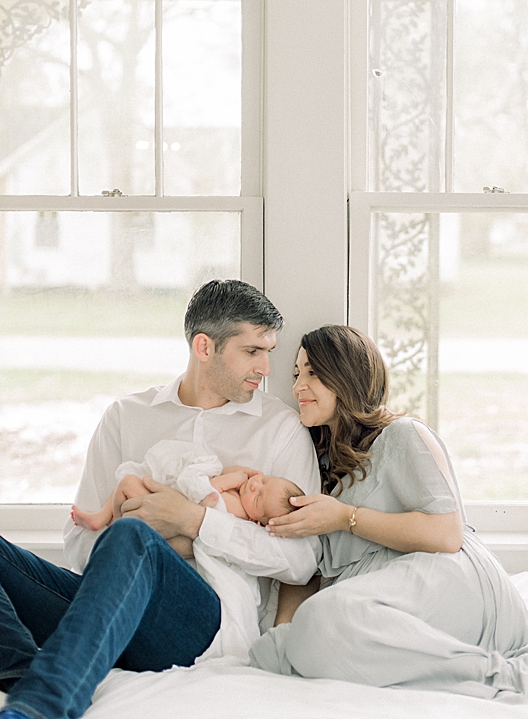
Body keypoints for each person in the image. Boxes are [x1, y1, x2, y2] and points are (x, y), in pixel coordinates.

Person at [0, 280, 320, 719]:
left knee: (132, 533)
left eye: (269, 351)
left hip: (202, 623)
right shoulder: (126, 418)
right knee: (124, 537)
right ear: (204, 347)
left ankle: (41, 707)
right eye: (252, 351)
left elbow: (302, 560)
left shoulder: (281, 431)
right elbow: (78, 544)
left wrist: (194, 522)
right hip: (113, 608)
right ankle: (19, 673)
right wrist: (150, 547)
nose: (266, 367)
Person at [247, 325, 528, 705]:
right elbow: (307, 563)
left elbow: (447, 535)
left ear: (346, 376)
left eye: (313, 373)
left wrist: (345, 517)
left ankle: (512, 678)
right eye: (297, 373)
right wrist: (286, 630)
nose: (298, 386)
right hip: (384, 599)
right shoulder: (320, 458)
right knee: (307, 632)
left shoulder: (401, 435)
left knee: (325, 618)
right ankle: (474, 678)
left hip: (447, 575)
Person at [71, 438, 303, 530]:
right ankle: (106, 518)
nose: (255, 486)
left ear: (256, 520)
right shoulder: (242, 498)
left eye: (259, 497)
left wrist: (235, 478)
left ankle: (106, 521)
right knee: (132, 479)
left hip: (162, 515)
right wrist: (242, 474)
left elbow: (209, 492)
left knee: (129, 483)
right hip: (165, 504)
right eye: (263, 481)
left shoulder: (237, 511)